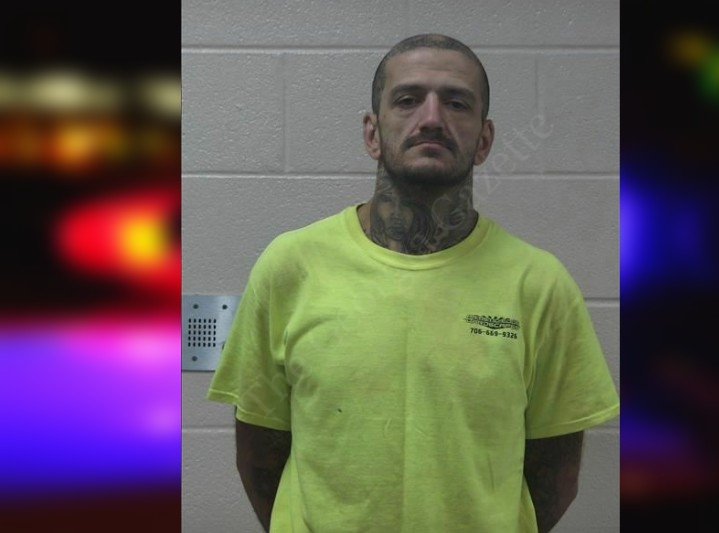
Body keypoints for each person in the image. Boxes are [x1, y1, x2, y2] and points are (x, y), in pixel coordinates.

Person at [207, 33, 620, 533]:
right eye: (407, 100)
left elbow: (555, 476)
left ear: (484, 140)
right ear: (372, 133)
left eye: (457, 103)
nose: (431, 118)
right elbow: (259, 455)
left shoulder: (540, 285)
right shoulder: (290, 266)